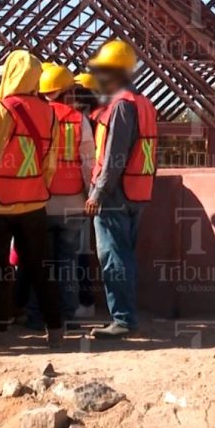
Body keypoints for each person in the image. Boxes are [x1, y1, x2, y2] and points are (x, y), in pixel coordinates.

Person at [0, 50, 63, 348]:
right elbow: (50, 163)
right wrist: (35, 188)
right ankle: (56, 328)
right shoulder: (50, 113)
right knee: (40, 267)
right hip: (35, 204)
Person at [85, 40, 158, 338]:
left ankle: (123, 319)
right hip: (139, 191)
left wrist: (97, 193)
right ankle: (125, 315)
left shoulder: (120, 107)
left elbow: (114, 158)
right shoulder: (144, 104)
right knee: (124, 254)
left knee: (114, 256)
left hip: (116, 194)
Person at [32, 65, 96, 328]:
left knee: (39, 261)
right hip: (72, 202)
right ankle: (67, 314)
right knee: (67, 261)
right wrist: (90, 194)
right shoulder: (76, 119)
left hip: (40, 201)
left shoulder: (36, 117)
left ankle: (37, 317)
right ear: (67, 92)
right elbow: (88, 162)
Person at [72, 72, 101, 319]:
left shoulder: (82, 121)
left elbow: (86, 161)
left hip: (80, 193)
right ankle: (84, 299)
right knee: (82, 250)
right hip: (89, 191)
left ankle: (83, 299)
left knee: (77, 251)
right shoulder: (98, 120)